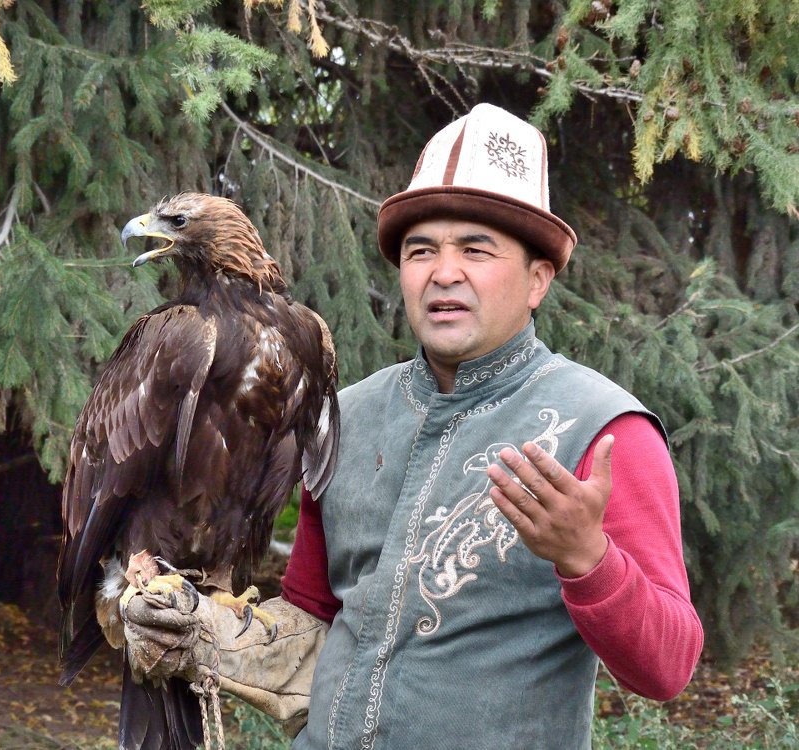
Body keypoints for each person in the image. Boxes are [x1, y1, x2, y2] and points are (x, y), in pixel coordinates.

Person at [121, 103, 704, 749]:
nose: (443, 272)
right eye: (421, 250)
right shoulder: (346, 414)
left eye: (476, 250)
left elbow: (668, 668)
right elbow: (315, 613)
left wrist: (586, 558)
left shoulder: (603, 430)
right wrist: (206, 630)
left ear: (538, 279)